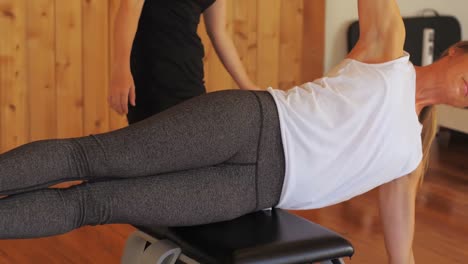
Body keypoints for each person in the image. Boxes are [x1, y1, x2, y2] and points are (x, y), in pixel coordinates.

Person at [1, 0, 467, 263]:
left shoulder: (410, 154)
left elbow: (401, 251)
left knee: (96, 203)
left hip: (251, 190)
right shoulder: (388, 53)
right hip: (250, 124)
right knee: (90, 159)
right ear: (456, 52)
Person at [110, 0, 258, 124]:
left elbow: (219, 33)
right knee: (150, 148)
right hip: (150, 74)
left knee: (191, 147)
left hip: (190, 77)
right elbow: (129, 7)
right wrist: (121, 68)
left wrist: (245, 84)